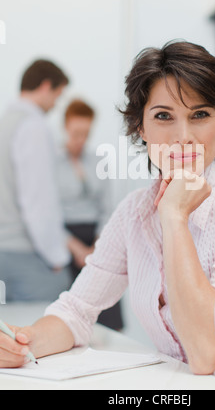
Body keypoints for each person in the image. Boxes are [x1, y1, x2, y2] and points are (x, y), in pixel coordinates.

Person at [0, 42, 215, 390]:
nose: (183, 137)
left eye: (200, 115)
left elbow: (206, 353)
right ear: (141, 128)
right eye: (163, 116)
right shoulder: (134, 213)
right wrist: (24, 342)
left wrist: (174, 216)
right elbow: (76, 310)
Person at [0, 60, 83, 302]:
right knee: (50, 328)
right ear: (46, 86)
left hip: (3, 253)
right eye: (58, 95)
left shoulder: (5, 122)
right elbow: (38, 201)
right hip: (26, 254)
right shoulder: (33, 126)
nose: (56, 104)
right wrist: (56, 256)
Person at [57, 99, 124, 331]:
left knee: (106, 288)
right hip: (66, 239)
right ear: (65, 127)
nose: (81, 140)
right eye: (76, 133)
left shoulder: (97, 162)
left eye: (86, 133)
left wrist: (96, 247)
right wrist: (77, 249)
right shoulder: (50, 163)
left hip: (96, 237)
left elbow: (107, 208)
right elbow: (47, 216)